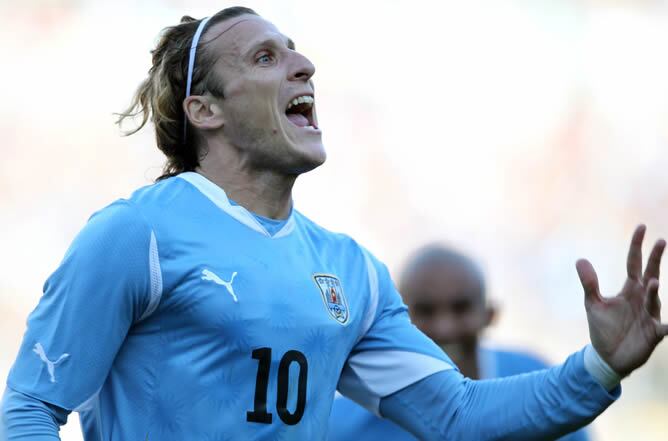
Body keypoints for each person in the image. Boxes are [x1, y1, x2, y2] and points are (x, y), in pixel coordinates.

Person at [1, 6, 667, 441]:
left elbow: (458, 415)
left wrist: (600, 366)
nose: (302, 65)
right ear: (206, 111)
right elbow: (29, 409)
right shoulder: (135, 235)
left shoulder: (350, 270)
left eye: (294, 52)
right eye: (264, 58)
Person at [329, 245, 590, 441]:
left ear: (490, 315)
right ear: (396, 321)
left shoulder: (538, 379)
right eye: (426, 310)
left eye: (460, 308)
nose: (445, 327)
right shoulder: (343, 422)